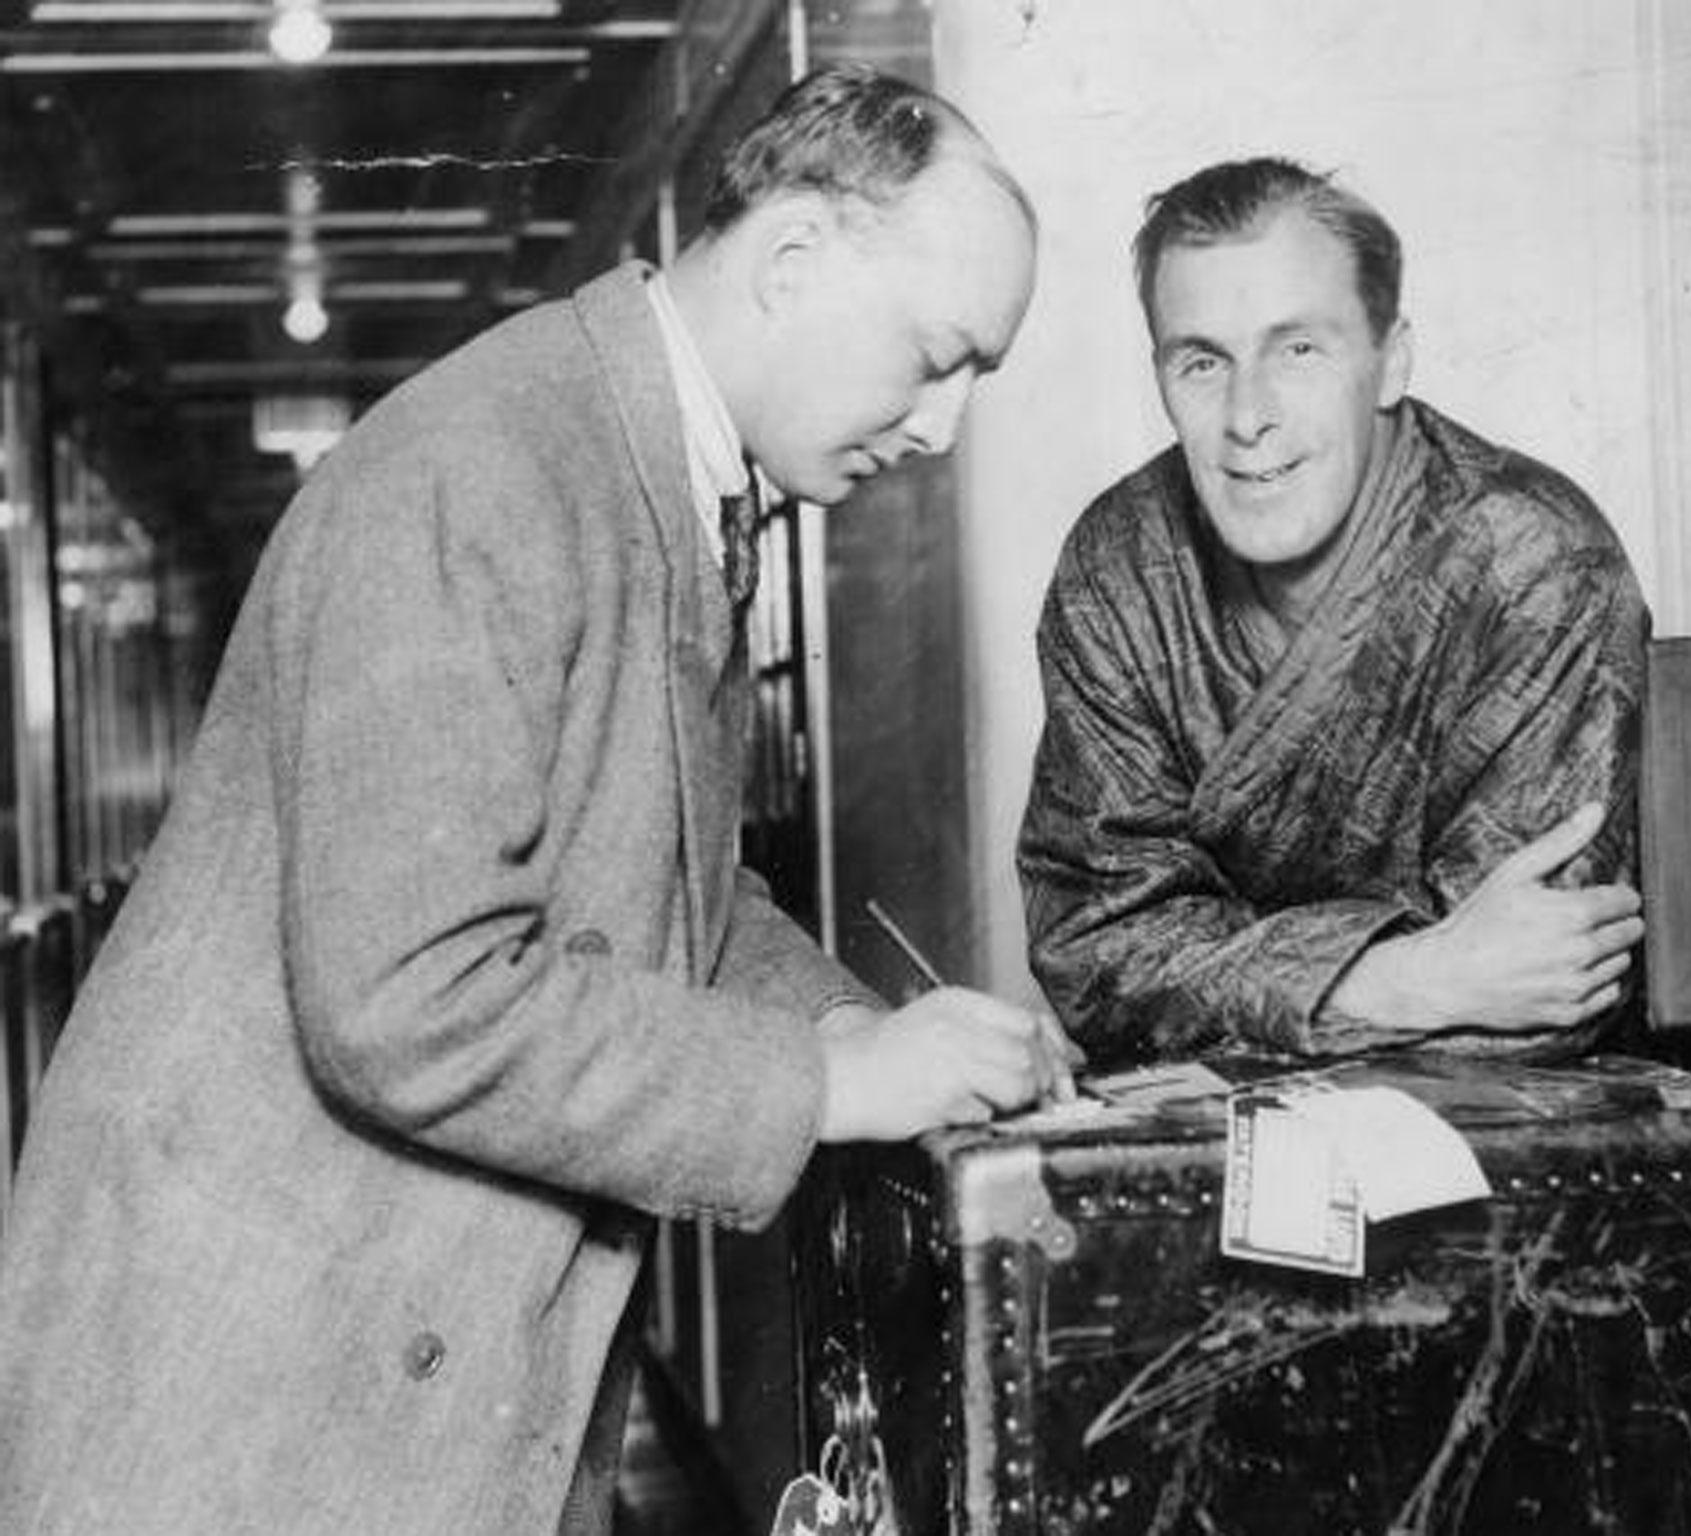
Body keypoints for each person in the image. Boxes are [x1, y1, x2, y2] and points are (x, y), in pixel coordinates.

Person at [0, 66, 1072, 1536]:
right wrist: (829, 1087)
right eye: (938, 355)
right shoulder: (485, 469)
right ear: (797, 260)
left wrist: (870, 1035)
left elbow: (672, 879)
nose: (945, 427)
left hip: (374, 1346)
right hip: (253, 1389)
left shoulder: (648, 471)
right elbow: (407, 998)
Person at [1018, 156, 1647, 1067]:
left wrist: (1234, 975)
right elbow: (1093, 955)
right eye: (1202, 363)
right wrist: (1413, 978)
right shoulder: (1119, 566)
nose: (1247, 417)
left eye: (1299, 350)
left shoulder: (1533, 561)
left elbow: (1546, 982)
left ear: (1391, 359)